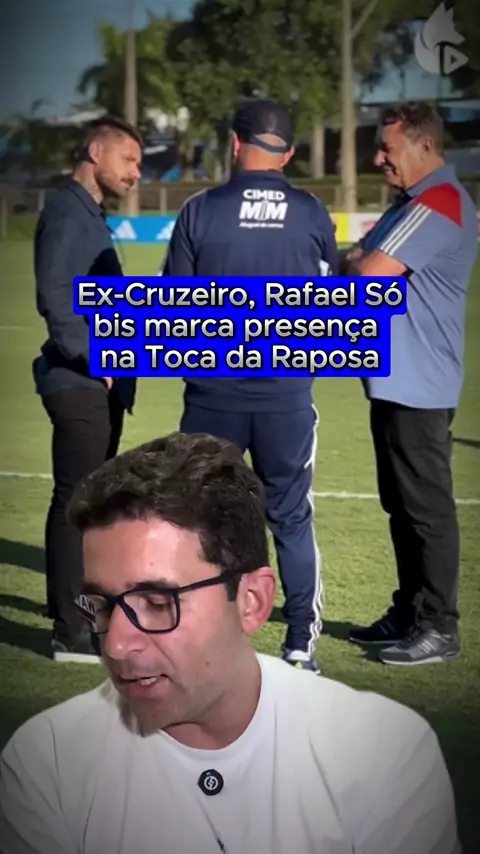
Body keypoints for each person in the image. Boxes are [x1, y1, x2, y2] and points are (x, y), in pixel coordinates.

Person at [0, 433, 461, 854]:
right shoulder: (49, 760)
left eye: (158, 603)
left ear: (251, 601)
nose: (116, 645)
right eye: (101, 605)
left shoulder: (381, 750)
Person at [159, 98, 339, 674]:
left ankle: (202, 642)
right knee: (291, 516)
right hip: (286, 395)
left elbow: (172, 307)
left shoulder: (199, 210)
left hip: (214, 396)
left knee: (205, 519)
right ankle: (299, 644)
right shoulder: (311, 212)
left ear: (236, 144)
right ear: (288, 152)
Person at [345, 102, 478, 665]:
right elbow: (361, 258)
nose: (379, 158)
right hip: (398, 380)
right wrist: (360, 259)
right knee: (401, 506)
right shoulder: (411, 204)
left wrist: (360, 261)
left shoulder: (438, 200)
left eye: (387, 148)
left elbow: (367, 270)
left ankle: (438, 627)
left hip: (419, 383)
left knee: (426, 509)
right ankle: (410, 611)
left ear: (425, 146)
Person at [32, 115, 143, 663]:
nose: (136, 173)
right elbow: (54, 298)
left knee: (88, 505)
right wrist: (94, 358)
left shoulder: (90, 214)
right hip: (79, 382)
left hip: (99, 382)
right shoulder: (66, 213)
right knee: (76, 504)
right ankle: (71, 631)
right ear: (96, 151)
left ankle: (76, 614)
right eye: (129, 160)